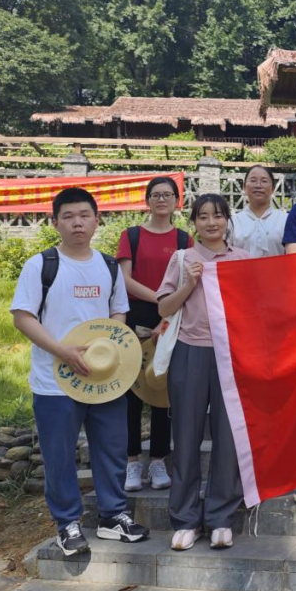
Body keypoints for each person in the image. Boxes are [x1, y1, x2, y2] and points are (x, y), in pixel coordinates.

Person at [11, 187, 149, 556]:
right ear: (54, 222)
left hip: (105, 379)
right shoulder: (41, 266)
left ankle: (113, 516)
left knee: (112, 449)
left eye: (85, 215)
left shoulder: (108, 266)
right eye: (69, 216)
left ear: (96, 220)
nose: (77, 223)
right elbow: (22, 317)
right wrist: (62, 352)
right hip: (55, 381)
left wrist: (110, 349)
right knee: (59, 455)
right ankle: (67, 523)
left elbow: (119, 311)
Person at [157, 193, 251, 551]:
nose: (212, 223)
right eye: (204, 217)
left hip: (232, 355)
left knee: (228, 436)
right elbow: (164, 308)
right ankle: (185, 518)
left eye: (219, 215)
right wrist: (188, 284)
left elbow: (256, 308)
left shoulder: (242, 260)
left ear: (228, 220)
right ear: (193, 222)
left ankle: (220, 517)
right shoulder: (183, 259)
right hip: (189, 351)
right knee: (186, 435)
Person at [116, 176, 191, 493]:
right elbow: (125, 280)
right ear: (147, 201)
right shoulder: (131, 236)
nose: (162, 199)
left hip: (171, 317)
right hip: (137, 315)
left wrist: (167, 312)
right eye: (156, 195)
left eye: (168, 195)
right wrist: (160, 298)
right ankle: (132, 461)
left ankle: (159, 460)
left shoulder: (184, 239)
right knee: (132, 392)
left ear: (177, 201)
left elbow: (188, 280)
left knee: (162, 389)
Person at [231, 165, 288, 258]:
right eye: (253, 180)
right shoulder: (233, 222)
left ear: (273, 188)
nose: (258, 185)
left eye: (264, 181)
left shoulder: (285, 220)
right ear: (244, 187)